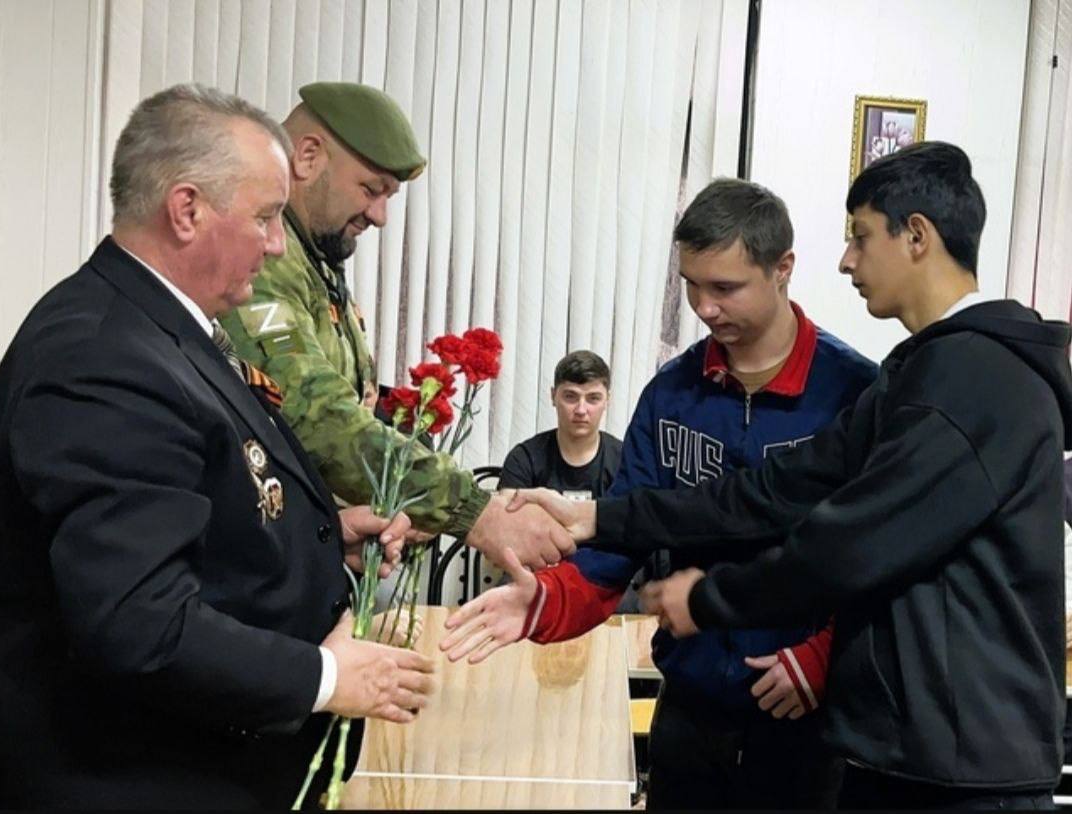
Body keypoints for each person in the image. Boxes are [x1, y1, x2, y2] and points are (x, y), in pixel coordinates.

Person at [480, 142, 1072, 809]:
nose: (846, 259)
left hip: (951, 764)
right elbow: (773, 490)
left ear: (916, 237)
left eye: (860, 236)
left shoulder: (969, 380)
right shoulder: (915, 375)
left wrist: (710, 600)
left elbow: (850, 546)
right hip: (884, 748)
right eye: (692, 287)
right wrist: (594, 519)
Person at [0, 84, 440, 809]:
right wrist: (328, 679)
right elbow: (140, 622)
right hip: (129, 774)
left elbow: (196, 491)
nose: (274, 241)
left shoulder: (158, 325)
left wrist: (313, 537)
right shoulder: (104, 357)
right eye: (264, 216)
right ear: (187, 209)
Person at [443, 179, 876, 809]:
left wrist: (821, 655)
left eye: (724, 287)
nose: (704, 306)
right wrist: (544, 601)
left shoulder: (854, 395)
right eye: (690, 284)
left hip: (806, 724)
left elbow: (879, 551)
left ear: (782, 269)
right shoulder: (672, 393)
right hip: (690, 711)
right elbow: (622, 538)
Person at [219, 82, 567, 568]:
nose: (380, 216)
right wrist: (472, 511)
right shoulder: (267, 266)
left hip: (308, 552)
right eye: (370, 189)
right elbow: (314, 416)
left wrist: (407, 484)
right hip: (255, 568)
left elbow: (350, 399)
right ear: (308, 155)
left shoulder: (314, 264)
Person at [499, 350, 622, 500]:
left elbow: (639, 519)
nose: (581, 410)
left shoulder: (624, 461)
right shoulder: (524, 458)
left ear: (607, 400)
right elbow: (506, 518)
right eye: (570, 397)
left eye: (593, 398)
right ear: (553, 396)